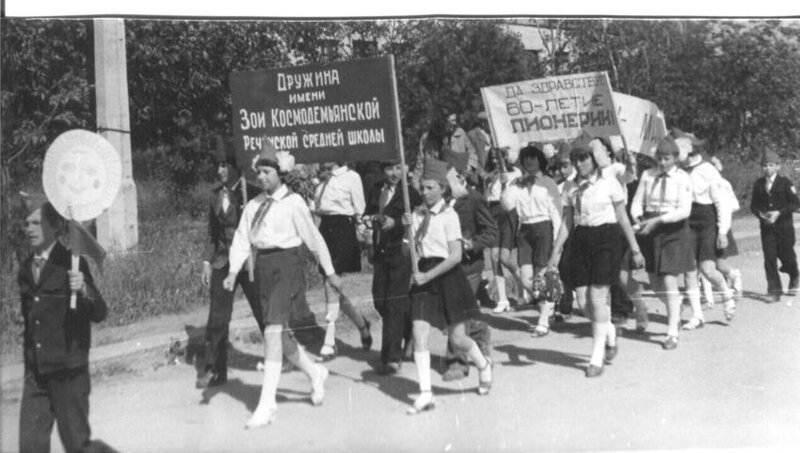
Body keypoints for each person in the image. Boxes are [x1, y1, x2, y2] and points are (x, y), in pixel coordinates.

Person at [225, 146, 342, 428]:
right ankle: (315, 373)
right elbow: (242, 239)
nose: (262, 177)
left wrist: (330, 271)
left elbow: (314, 239)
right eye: (259, 172)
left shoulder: (294, 203)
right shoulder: (253, 205)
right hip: (263, 268)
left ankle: (267, 405)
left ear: (280, 173)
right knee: (278, 334)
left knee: (273, 333)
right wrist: (232, 270)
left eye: (267, 172)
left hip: (288, 267)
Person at [18, 196, 113, 452]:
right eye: (27, 224)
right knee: (30, 446)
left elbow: (99, 312)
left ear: (53, 226)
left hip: (68, 373)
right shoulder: (26, 269)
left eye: (36, 223)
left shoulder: (71, 262)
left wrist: (83, 288)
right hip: (36, 375)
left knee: (77, 446)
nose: (30, 229)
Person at [401, 159, 494, 415]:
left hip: (447, 276)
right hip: (423, 275)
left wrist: (427, 275)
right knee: (419, 331)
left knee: (458, 338)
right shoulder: (417, 214)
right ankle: (425, 394)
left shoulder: (449, 216)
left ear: (442, 188)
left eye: (430, 187)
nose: (425, 191)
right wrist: (407, 230)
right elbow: (406, 250)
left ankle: (483, 364)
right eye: (422, 187)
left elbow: (454, 256)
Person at [546, 144, 645, 377]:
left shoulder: (610, 182)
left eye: (584, 159)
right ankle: (609, 333)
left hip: (607, 239)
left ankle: (596, 357)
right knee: (583, 302)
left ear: (595, 159)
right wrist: (555, 252)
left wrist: (635, 248)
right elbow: (567, 222)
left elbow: (622, 216)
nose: (580, 164)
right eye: (576, 160)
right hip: (581, 240)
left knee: (598, 299)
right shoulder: (570, 186)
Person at [197, 146, 265, 388]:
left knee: (262, 308)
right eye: (217, 165)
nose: (220, 170)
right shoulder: (215, 194)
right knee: (217, 315)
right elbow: (211, 233)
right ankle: (215, 369)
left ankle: (280, 355)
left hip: (248, 260)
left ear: (236, 167)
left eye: (224, 165)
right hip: (223, 261)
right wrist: (207, 261)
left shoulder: (252, 191)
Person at [630, 137, 695, 350]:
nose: (662, 162)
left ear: (676, 158)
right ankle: (675, 308)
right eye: (659, 158)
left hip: (673, 230)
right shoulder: (648, 175)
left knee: (669, 280)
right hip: (650, 230)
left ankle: (672, 333)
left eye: (667, 158)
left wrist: (657, 221)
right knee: (656, 284)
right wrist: (638, 218)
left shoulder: (683, 178)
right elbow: (637, 202)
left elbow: (684, 210)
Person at [440, 153, 497, 381]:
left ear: (460, 177)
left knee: (457, 312)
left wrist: (471, 245)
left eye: (448, 179)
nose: (444, 185)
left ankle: (456, 362)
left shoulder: (474, 199)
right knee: (459, 314)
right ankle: (481, 333)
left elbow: (491, 232)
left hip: (469, 265)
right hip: (447, 264)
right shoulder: (441, 203)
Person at [363, 160, 422, 375]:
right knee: (380, 301)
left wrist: (396, 223)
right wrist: (370, 220)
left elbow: (419, 220)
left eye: (398, 168)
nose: (394, 173)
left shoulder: (411, 193)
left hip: (402, 251)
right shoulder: (376, 189)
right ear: (382, 170)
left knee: (393, 305)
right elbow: (367, 213)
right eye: (389, 169)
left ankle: (390, 357)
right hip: (380, 252)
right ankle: (410, 331)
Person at [674, 129, 737, 328]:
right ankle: (697, 315)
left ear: (689, 149)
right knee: (689, 270)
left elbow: (722, 203)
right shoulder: (678, 171)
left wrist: (722, 232)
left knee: (708, 269)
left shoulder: (708, 169)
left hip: (707, 220)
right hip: (686, 221)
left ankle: (726, 294)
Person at [501, 144, 562, 337]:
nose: (529, 161)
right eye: (525, 157)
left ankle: (543, 321)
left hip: (544, 229)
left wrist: (558, 243)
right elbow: (506, 205)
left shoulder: (548, 183)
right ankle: (549, 305)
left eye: (533, 157)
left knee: (543, 278)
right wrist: (506, 185)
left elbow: (557, 214)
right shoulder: (517, 183)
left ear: (540, 160)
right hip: (525, 230)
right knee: (528, 280)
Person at [313, 161, 372, 361]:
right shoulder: (321, 178)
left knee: (332, 283)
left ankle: (329, 343)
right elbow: (319, 209)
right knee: (331, 285)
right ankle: (361, 324)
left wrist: (363, 231)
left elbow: (360, 208)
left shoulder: (351, 176)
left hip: (342, 230)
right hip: (324, 230)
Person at [750, 148, 800, 302]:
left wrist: (779, 213)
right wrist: (761, 214)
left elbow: (795, 203)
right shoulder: (759, 184)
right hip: (767, 229)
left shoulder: (785, 182)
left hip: (784, 227)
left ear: (778, 166)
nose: (767, 168)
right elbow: (753, 205)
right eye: (764, 165)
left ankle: (794, 275)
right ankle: (774, 290)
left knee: (787, 257)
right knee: (769, 258)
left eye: (771, 165)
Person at [485, 146, 524, 313]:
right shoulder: (487, 175)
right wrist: (490, 179)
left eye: (498, 157)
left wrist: (504, 182)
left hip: (508, 213)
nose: (495, 160)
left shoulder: (515, 173)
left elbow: (515, 194)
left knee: (505, 258)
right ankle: (502, 298)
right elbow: (486, 195)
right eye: (492, 157)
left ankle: (523, 287)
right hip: (491, 213)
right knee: (494, 258)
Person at [706, 156, 743, 299]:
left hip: (719, 226)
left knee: (719, 263)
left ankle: (735, 276)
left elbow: (733, 205)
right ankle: (707, 296)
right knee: (702, 263)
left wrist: (723, 225)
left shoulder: (722, 184)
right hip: (703, 227)